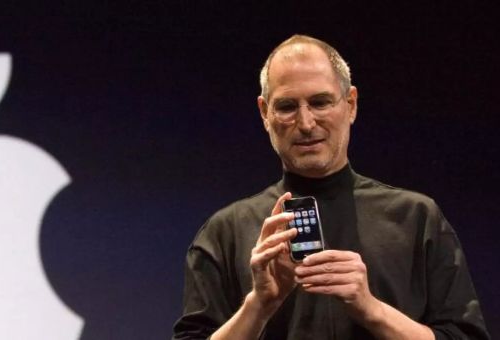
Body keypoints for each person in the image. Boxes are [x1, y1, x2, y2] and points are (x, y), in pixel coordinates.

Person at [172, 35, 489, 340]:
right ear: (264, 113)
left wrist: (371, 310)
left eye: (320, 102)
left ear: (351, 104)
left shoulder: (417, 218)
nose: (307, 123)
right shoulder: (224, 232)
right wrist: (259, 305)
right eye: (286, 107)